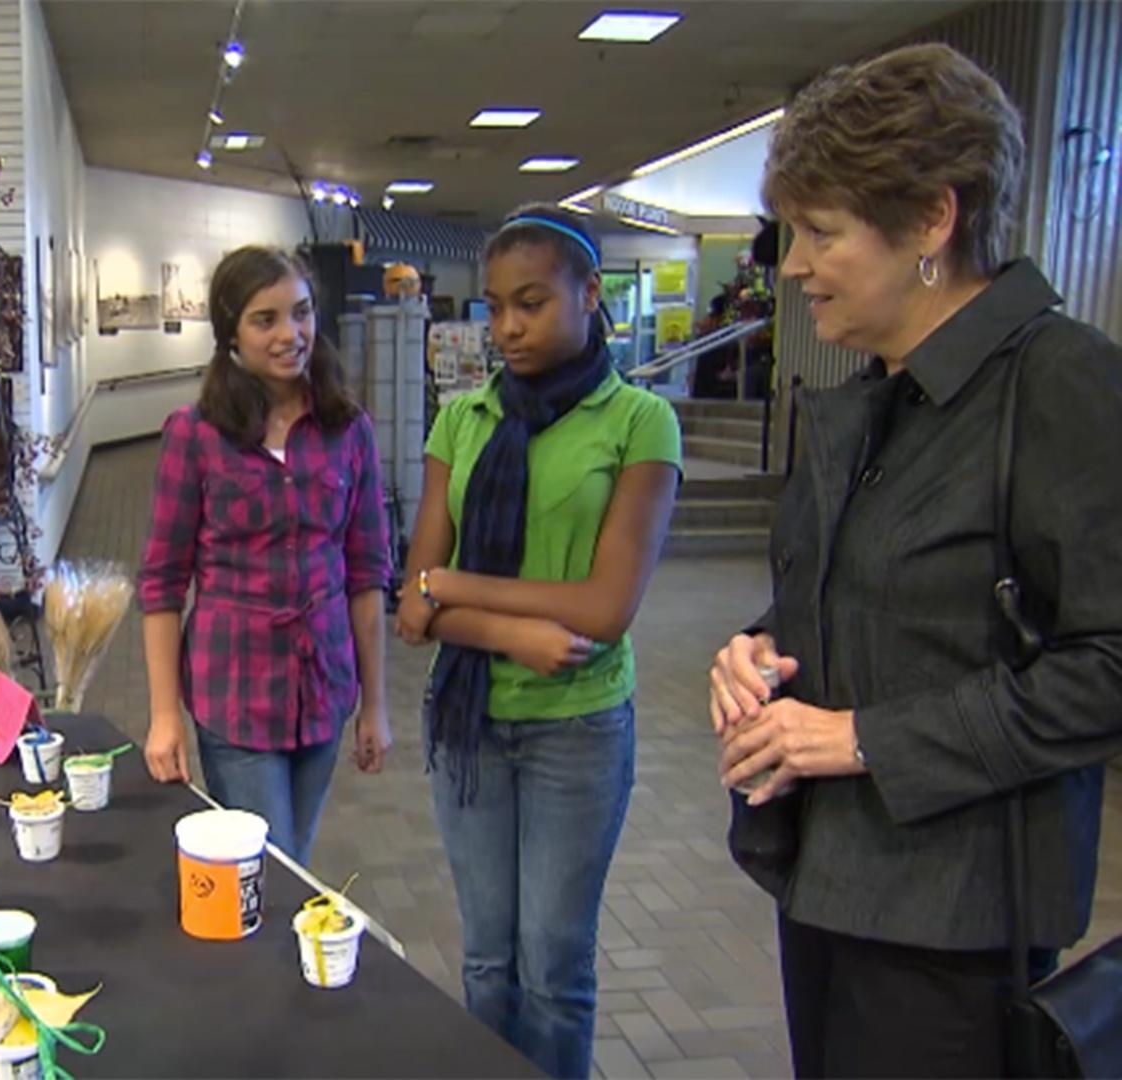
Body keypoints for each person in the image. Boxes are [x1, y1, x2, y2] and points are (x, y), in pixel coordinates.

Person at [709, 44, 1122, 1078]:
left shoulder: (1062, 387)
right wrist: (757, 652)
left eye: (821, 232)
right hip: (830, 879)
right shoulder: (881, 398)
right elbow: (855, 600)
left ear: (934, 221)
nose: (792, 266)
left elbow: (1108, 663)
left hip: (956, 920)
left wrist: (861, 741)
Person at [396, 205, 681, 1080]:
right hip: (469, 727)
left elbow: (605, 608)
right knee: (487, 959)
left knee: (554, 968)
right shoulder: (463, 419)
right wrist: (511, 631)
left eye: (531, 303)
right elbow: (412, 605)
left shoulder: (638, 423)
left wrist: (455, 589)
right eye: (494, 307)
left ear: (590, 295)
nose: (509, 327)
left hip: (579, 730)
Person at [139, 245, 392, 865]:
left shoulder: (347, 429)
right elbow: (162, 584)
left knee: (291, 861)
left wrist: (375, 705)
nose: (291, 334)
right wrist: (163, 715)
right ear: (231, 333)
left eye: (302, 313)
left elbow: (366, 573)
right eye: (266, 319)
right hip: (236, 693)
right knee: (272, 867)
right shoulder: (195, 434)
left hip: (325, 685)